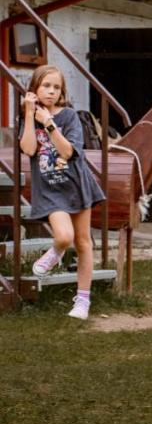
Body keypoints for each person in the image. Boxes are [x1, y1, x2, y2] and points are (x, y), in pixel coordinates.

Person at [20, 66, 105, 320]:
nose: (51, 91)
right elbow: (28, 148)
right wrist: (28, 113)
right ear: (35, 88)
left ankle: (82, 301)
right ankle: (57, 252)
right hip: (49, 189)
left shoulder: (68, 116)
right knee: (64, 236)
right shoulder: (27, 116)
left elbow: (68, 152)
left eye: (56, 87)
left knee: (83, 242)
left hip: (77, 185)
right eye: (46, 85)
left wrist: (48, 123)